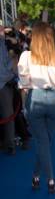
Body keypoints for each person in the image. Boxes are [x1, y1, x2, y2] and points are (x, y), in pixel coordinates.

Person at [18, 22, 55, 193]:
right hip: (54, 100)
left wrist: (25, 105)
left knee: (43, 142)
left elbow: (24, 84)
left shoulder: (26, 56)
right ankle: (38, 176)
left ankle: (49, 180)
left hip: (36, 99)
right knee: (46, 141)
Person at [0, 25, 17, 155]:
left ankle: (10, 143)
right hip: (4, 83)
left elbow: (6, 63)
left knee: (8, 115)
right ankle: (9, 143)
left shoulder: (2, 43)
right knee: (8, 115)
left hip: (5, 84)